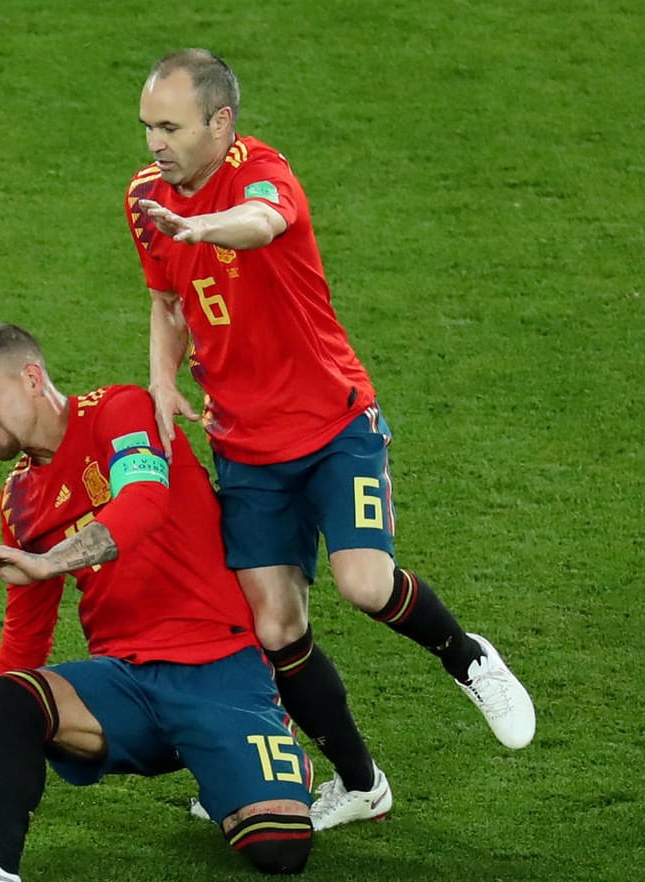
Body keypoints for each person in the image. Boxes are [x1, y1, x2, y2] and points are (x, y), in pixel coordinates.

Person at [125, 49, 534, 830]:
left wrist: (197, 223)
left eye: (170, 127)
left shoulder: (261, 173)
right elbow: (166, 297)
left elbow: (258, 225)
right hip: (242, 442)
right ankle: (359, 783)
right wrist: (160, 379)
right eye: (147, 126)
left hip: (331, 422)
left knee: (365, 584)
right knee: (275, 626)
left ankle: (469, 658)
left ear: (220, 123)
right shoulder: (145, 196)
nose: (154, 144)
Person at [0, 323, 313, 882]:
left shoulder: (119, 411)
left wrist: (50, 561)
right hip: (126, 687)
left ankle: (256, 754)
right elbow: (25, 633)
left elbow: (143, 502)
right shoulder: (19, 497)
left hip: (219, 665)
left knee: (278, 850)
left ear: (32, 378)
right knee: (17, 692)